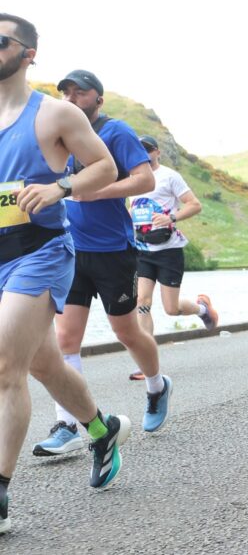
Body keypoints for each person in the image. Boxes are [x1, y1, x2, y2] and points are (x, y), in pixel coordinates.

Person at [0, 14, 130, 534]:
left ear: (29, 53)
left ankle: (2, 491)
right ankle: (101, 429)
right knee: (44, 364)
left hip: (40, 252)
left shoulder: (54, 114)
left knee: (6, 363)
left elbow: (105, 168)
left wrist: (60, 188)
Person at [33, 69, 172, 456]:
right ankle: (68, 424)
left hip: (113, 250)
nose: (73, 97)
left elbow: (144, 180)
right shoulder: (59, 137)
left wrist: (97, 191)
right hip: (69, 249)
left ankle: (157, 386)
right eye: (66, 92)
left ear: (99, 98)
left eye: (81, 91)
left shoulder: (117, 133)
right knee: (64, 338)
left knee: (126, 332)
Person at [129, 135, 217, 380]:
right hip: (143, 250)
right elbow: (134, 208)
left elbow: (194, 204)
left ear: (157, 152)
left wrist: (171, 217)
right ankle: (147, 364)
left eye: (147, 150)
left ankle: (202, 309)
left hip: (168, 251)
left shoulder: (169, 176)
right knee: (142, 301)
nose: (142, 155)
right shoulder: (132, 177)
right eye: (138, 150)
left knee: (171, 309)